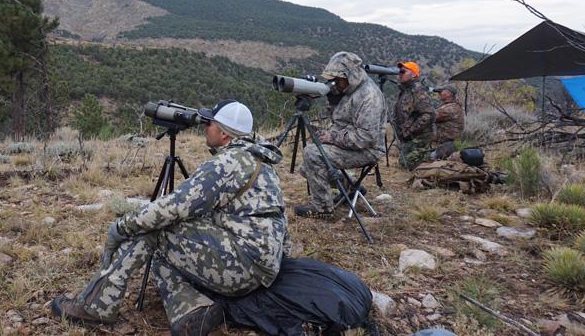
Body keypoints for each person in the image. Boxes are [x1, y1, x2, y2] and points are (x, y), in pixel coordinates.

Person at [50, 100, 289, 336]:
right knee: (163, 253)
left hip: (242, 268)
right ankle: (192, 312)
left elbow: (172, 208)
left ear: (224, 134)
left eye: (210, 124)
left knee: (156, 229)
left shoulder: (229, 163)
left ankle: (96, 307)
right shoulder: (260, 161)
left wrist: (122, 227)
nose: (205, 127)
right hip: (263, 267)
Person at [294, 52, 388, 217]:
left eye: (338, 79)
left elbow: (366, 138)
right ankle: (349, 186)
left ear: (349, 75)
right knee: (306, 167)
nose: (335, 83)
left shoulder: (369, 97)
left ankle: (322, 207)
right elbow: (343, 119)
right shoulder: (350, 88)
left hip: (369, 149)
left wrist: (332, 137)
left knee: (312, 155)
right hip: (350, 142)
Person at [393, 61, 435, 170]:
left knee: (406, 163)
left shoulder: (418, 90)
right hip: (408, 137)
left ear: (414, 74)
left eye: (403, 71)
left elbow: (428, 115)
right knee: (404, 162)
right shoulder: (405, 91)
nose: (400, 74)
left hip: (419, 137)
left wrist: (410, 130)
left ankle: (437, 153)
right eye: (399, 72)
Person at [432, 84, 465, 159]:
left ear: (449, 94)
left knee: (426, 159)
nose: (439, 94)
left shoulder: (450, 108)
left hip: (448, 145)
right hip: (447, 144)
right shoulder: (450, 106)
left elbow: (431, 116)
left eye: (441, 92)